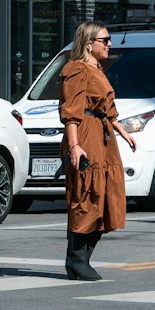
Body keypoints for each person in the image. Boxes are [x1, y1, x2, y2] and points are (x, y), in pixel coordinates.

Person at [58, 21, 136, 281]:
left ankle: (81, 260)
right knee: (87, 195)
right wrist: (75, 146)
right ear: (88, 44)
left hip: (103, 136)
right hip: (86, 135)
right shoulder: (77, 69)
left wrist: (122, 131)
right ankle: (76, 260)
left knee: (105, 197)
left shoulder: (96, 68)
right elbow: (71, 113)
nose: (110, 44)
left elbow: (106, 108)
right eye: (105, 40)